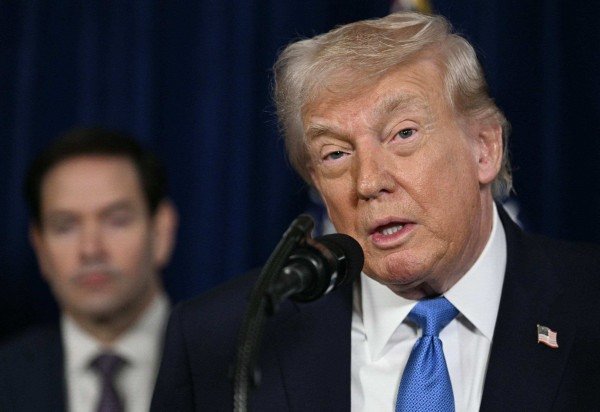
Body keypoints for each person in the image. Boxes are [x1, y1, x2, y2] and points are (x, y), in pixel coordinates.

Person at [151, 12, 600, 411]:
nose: (367, 183)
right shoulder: (223, 340)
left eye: (403, 134)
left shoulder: (588, 302)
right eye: (335, 154)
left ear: (484, 149)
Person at [0, 128, 178, 412]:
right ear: (40, 247)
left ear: (161, 232)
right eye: (65, 226)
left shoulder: (227, 363)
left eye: (116, 220)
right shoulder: (7, 376)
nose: (91, 249)